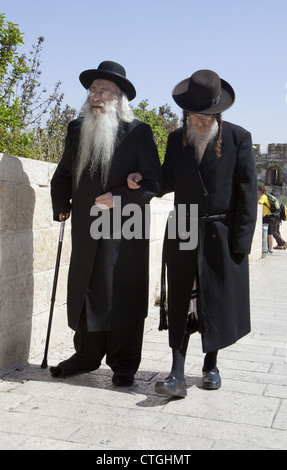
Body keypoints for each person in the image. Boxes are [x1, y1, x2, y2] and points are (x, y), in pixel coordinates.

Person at [128, 69, 258, 397]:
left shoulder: (239, 138)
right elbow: (166, 180)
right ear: (186, 112)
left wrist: (240, 243)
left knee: (214, 298)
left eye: (207, 116)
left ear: (218, 112)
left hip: (220, 230)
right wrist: (140, 180)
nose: (199, 122)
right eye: (194, 115)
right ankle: (176, 371)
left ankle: (211, 364)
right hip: (184, 222)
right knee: (182, 296)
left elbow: (247, 193)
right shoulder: (176, 139)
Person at [49, 61, 162, 386]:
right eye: (93, 90)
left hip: (125, 228)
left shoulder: (138, 132)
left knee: (122, 291)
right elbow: (64, 175)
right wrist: (60, 205)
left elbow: (154, 182)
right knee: (86, 289)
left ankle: (124, 364)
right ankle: (86, 356)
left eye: (105, 91)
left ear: (119, 98)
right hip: (86, 228)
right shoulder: (76, 129)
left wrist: (120, 197)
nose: (97, 95)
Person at [257, 185, 275, 253]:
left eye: (258, 191)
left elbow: (259, 203)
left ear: (260, 191)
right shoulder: (265, 196)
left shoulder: (263, 197)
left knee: (269, 233)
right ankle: (268, 247)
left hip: (268, 216)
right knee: (268, 232)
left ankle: (270, 248)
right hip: (269, 216)